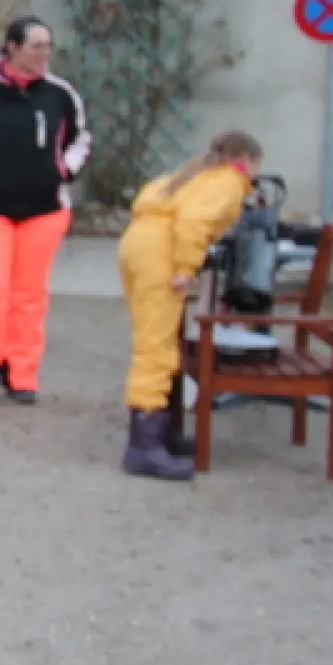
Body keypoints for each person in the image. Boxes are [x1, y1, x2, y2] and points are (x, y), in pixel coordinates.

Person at [0, 16, 92, 407]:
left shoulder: (61, 94)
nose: (44, 54)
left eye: (47, 46)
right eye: (35, 46)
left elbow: (80, 140)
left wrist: (64, 170)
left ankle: (21, 374)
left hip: (45, 208)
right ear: (12, 47)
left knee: (30, 296)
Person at [116, 130, 262, 482]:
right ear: (245, 161)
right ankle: (144, 446)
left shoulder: (191, 173)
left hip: (137, 245)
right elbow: (193, 222)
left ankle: (160, 434)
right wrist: (185, 267)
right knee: (156, 348)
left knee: (156, 339)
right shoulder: (228, 183)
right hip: (160, 256)